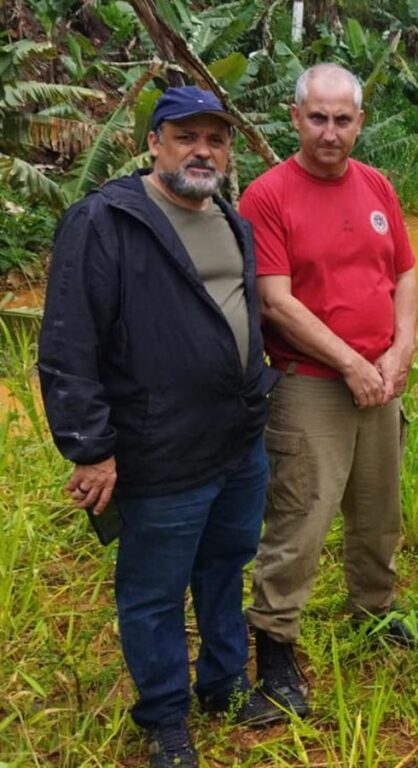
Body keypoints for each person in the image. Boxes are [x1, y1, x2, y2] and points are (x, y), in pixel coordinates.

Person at [38, 86, 284, 768]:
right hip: (159, 445)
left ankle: (224, 685)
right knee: (152, 590)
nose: (202, 149)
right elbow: (67, 343)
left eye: (216, 137)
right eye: (185, 136)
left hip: (237, 439)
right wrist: (90, 449)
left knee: (225, 566)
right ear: (154, 143)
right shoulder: (107, 221)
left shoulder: (231, 220)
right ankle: (165, 718)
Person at [239, 63, 418, 717]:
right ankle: (274, 645)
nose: (329, 132)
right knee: (300, 520)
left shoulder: (377, 185)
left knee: (379, 515)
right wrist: (352, 362)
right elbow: (275, 301)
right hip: (312, 385)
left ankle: (374, 612)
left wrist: (402, 348)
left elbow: (404, 274)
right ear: (295, 119)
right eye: (317, 118)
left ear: (359, 123)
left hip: (381, 381)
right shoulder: (266, 196)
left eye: (342, 119)